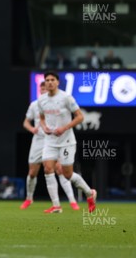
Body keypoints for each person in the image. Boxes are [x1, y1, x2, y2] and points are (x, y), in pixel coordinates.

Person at [38, 71, 97, 214]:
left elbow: (80, 117)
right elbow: (41, 117)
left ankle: (90, 193)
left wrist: (64, 128)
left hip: (67, 141)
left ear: (57, 82)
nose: (50, 82)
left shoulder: (66, 98)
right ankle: (56, 205)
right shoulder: (42, 100)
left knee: (67, 174)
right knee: (47, 168)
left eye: (52, 79)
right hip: (50, 141)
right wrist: (44, 127)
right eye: (47, 80)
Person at [20, 81, 79, 210]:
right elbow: (25, 122)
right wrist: (32, 129)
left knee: (60, 170)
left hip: (53, 141)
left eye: (45, 89)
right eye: (41, 89)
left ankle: (72, 200)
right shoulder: (35, 105)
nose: (43, 91)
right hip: (38, 141)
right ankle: (29, 198)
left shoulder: (57, 102)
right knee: (32, 173)